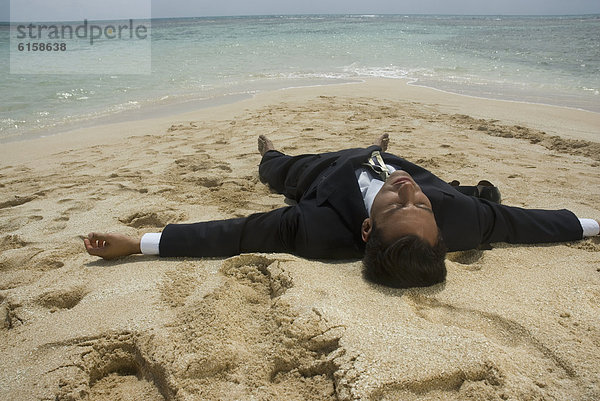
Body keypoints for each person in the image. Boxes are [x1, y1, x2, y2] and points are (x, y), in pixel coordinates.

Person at [84, 134, 600, 288]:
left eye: (403, 202)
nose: (408, 192)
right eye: (420, 202)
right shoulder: (458, 216)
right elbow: (526, 223)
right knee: (470, 195)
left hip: (325, 173)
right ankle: (378, 145)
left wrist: (139, 243)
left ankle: (268, 151)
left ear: (368, 227)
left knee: (277, 172)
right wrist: (594, 225)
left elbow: (235, 234)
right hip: (384, 157)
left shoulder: (314, 229)